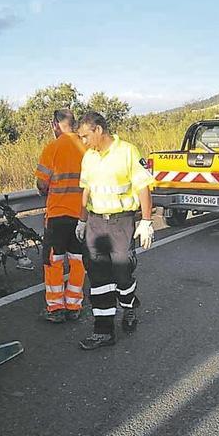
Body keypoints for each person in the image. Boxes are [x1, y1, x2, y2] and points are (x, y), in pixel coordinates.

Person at [75, 111, 155, 350]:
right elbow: (86, 191)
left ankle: (129, 306)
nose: (83, 142)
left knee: (122, 274)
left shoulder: (127, 152)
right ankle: (103, 331)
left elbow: (143, 188)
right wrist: (82, 220)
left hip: (121, 222)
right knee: (98, 278)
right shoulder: (88, 157)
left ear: (98, 130)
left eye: (85, 136)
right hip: (96, 223)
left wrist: (147, 221)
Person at [34, 109, 87, 323]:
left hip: (57, 215)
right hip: (82, 216)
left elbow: (41, 183)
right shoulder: (87, 147)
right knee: (78, 261)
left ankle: (55, 307)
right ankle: (74, 305)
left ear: (56, 124)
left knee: (54, 261)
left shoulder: (52, 148)